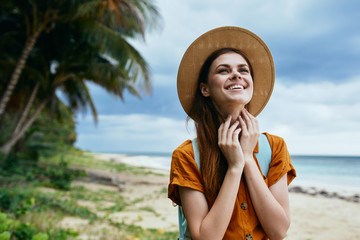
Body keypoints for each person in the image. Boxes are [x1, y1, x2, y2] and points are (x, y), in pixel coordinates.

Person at [168, 26, 296, 240]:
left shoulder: (274, 147)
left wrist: (247, 158)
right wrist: (235, 167)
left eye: (243, 70)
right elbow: (206, 237)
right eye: (223, 70)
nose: (236, 74)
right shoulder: (187, 155)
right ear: (205, 89)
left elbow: (279, 230)